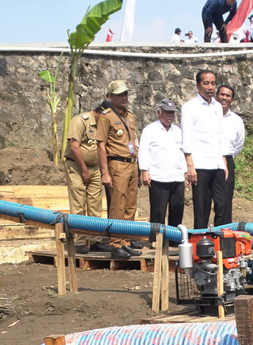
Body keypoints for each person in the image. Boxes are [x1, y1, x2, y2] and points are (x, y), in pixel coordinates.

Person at [96, 80, 141, 259]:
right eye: (120, 94)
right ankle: (115, 243)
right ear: (110, 97)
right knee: (117, 204)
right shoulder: (106, 116)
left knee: (131, 204)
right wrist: (105, 172)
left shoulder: (130, 115)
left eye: (125, 94)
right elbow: (101, 145)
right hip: (116, 163)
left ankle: (126, 240)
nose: (124, 97)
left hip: (131, 163)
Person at [181, 69, 228, 229]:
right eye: (206, 83)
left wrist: (224, 161)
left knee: (222, 203)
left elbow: (220, 136)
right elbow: (186, 137)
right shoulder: (190, 107)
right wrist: (190, 166)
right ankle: (201, 242)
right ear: (198, 85)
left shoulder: (217, 107)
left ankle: (219, 238)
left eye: (213, 83)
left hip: (217, 163)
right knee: (202, 206)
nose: (210, 87)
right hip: (200, 164)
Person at [139, 99, 186, 227]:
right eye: (166, 112)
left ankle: (173, 239)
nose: (169, 116)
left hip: (176, 176)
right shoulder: (150, 130)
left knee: (177, 209)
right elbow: (143, 151)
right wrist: (144, 172)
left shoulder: (178, 131)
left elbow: (183, 152)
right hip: (158, 176)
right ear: (159, 112)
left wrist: (186, 171)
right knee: (158, 211)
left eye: (172, 113)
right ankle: (156, 239)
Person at [63, 104, 104, 222]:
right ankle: (79, 239)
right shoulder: (80, 120)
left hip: (95, 168)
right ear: (100, 113)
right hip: (77, 167)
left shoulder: (101, 125)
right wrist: (84, 170)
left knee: (95, 205)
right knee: (78, 205)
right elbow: (74, 146)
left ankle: (95, 238)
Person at [217, 84, 245, 225]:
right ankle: (202, 237)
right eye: (222, 94)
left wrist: (227, 158)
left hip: (227, 160)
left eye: (228, 96)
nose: (224, 98)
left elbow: (239, 143)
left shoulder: (236, 120)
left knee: (225, 202)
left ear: (232, 100)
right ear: (217, 96)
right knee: (203, 201)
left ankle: (223, 237)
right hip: (207, 160)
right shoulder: (209, 116)